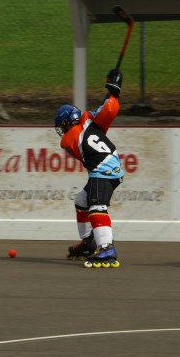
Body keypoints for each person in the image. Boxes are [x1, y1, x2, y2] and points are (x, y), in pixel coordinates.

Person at [54, 68, 124, 268]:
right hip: (111, 167)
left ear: (68, 122)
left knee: (97, 206)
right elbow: (107, 112)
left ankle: (106, 248)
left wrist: (110, 94)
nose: (62, 131)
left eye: (62, 126)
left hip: (102, 171)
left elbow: (102, 114)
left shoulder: (68, 139)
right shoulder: (90, 121)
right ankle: (88, 242)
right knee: (82, 200)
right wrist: (113, 93)